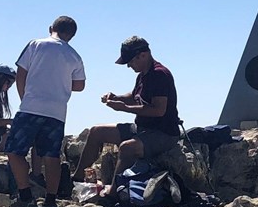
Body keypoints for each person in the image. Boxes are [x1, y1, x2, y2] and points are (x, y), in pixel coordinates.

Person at [6, 16, 86, 207]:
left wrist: (24, 96)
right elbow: (80, 85)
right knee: (51, 156)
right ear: (72, 36)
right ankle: (51, 200)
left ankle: (26, 195)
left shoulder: (36, 44)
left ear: (51, 28)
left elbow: (21, 73)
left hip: (31, 107)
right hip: (57, 112)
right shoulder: (74, 56)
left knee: (14, 151)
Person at [76, 36, 182, 182]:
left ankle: (114, 192)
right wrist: (116, 97)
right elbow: (135, 97)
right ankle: (78, 178)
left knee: (127, 148)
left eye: (131, 61)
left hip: (163, 133)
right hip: (142, 128)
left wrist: (125, 108)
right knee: (96, 132)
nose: (129, 66)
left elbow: (158, 110)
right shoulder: (143, 75)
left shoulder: (159, 74)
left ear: (143, 55)